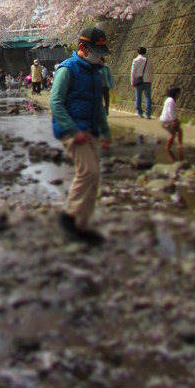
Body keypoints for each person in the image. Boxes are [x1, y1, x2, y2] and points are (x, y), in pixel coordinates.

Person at [50, 26, 112, 246]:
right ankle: (69, 216)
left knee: (94, 179)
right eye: (95, 51)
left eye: (101, 52)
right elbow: (55, 103)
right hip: (72, 131)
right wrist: (74, 131)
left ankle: (82, 226)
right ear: (82, 48)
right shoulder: (67, 69)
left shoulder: (96, 72)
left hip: (91, 130)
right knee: (89, 171)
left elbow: (98, 106)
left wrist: (104, 131)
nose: (99, 56)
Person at [160, 85, 184, 161]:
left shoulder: (170, 100)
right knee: (173, 135)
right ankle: (167, 148)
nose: (179, 95)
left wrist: (176, 120)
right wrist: (174, 121)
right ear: (175, 93)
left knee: (179, 130)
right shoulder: (171, 101)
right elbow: (170, 112)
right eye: (178, 93)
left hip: (168, 120)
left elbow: (172, 112)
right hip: (166, 121)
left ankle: (180, 145)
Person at [130, 46, 154, 119]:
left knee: (138, 98)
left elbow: (133, 71)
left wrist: (132, 81)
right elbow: (151, 71)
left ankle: (140, 113)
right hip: (148, 80)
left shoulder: (136, 60)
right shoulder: (149, 60)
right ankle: (148, 114)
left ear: (138, 52)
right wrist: (151, 79)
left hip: (139, 81)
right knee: (148, 97)